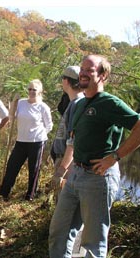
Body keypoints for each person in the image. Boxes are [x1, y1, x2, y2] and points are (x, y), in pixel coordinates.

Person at [28, 55, 140, 258]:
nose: (84, 73)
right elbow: (73, 141)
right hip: (76, 175)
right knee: (59, 229)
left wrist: (114, 157)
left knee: (94, 238)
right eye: (82, 69)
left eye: (90, 70)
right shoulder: (80, 103)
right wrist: (63, 170)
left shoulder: (109, 103)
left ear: (102, 75)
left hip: (99, 178)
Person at [0, 79, 53, 201]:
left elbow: (49, 126)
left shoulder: (43, 107)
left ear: (40, 92)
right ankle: (4, 192)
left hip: (37, 142)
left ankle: (30, 195)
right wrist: (14, 102)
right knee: (12, 165)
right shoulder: (21, 103)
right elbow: (11, 117)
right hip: (21, 140)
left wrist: (40, 135)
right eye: (30, 89)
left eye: (34, 89)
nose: (31, 92)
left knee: (34, 169)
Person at [50, 66, 85, 202]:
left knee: (64, 202)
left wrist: (62, 170)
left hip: (68, 163)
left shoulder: (77, 104)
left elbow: (73, 141)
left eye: (63, 78)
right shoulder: (74, 102)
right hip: (65, 160)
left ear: (66, 81)